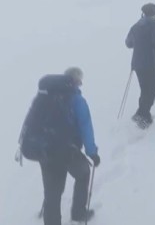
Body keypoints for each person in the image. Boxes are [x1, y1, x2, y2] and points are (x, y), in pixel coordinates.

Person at [19, 67, 100, 225]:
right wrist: (92, 153)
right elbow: (85, 127)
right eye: (80, 81)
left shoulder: (43, 96)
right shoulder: (77, 100)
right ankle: (78, 212)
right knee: (83, 173)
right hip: (66, 151)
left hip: (44, 149)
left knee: (52, 193)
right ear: (75, 82)